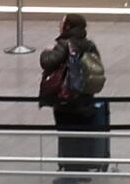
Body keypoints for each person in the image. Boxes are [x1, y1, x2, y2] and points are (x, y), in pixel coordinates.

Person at [39, 16, 111, 174]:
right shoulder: (89, 45)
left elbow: (48, 61)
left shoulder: (65, 44)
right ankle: (84, 163)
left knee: (67, 132)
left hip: (67, 99)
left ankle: (70, 166)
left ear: (68, 26)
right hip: (86, 96)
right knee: (82, 131)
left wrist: (47, 51)